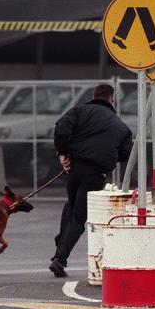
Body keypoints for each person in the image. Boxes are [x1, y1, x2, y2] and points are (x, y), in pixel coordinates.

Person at [49, 84, 133, 277]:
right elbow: (124, 154)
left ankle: (60, 246)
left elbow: (61, 127)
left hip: (74, 167)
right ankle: (59, 259)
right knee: (79, 216)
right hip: (96, 173)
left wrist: (63, 154)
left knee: (71, 206)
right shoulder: (120, 126)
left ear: (94, 96)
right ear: (112, 99)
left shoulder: (79, 111)